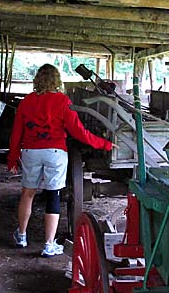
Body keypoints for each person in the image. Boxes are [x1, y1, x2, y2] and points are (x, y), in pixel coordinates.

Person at [7, 64, 113, 257]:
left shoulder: (26, 101)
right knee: (53, 196)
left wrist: (13, 157)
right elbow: (78, 132)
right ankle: (48, 245)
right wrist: (103, 144)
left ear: (37, 80)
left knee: (27, 194)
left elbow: (16, 133)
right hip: (55, 152)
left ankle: (21, 236)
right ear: (57, 81)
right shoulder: (63, 101)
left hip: (31, 150)